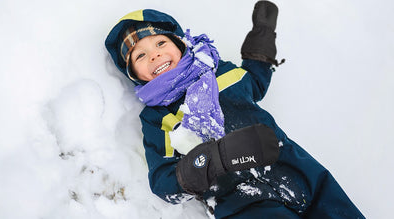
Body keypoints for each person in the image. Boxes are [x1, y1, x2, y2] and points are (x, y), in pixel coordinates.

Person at [105, 1, 364, 218]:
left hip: (296, 167)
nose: (154, 55)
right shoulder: (157, 118)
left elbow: (254, 82)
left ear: (179, 43)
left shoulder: (220, 73)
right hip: (241, 201)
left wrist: (262, 36)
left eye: (160, 43)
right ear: (135, 75)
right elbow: (164, 182)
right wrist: (214, 159)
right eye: (140, 55)